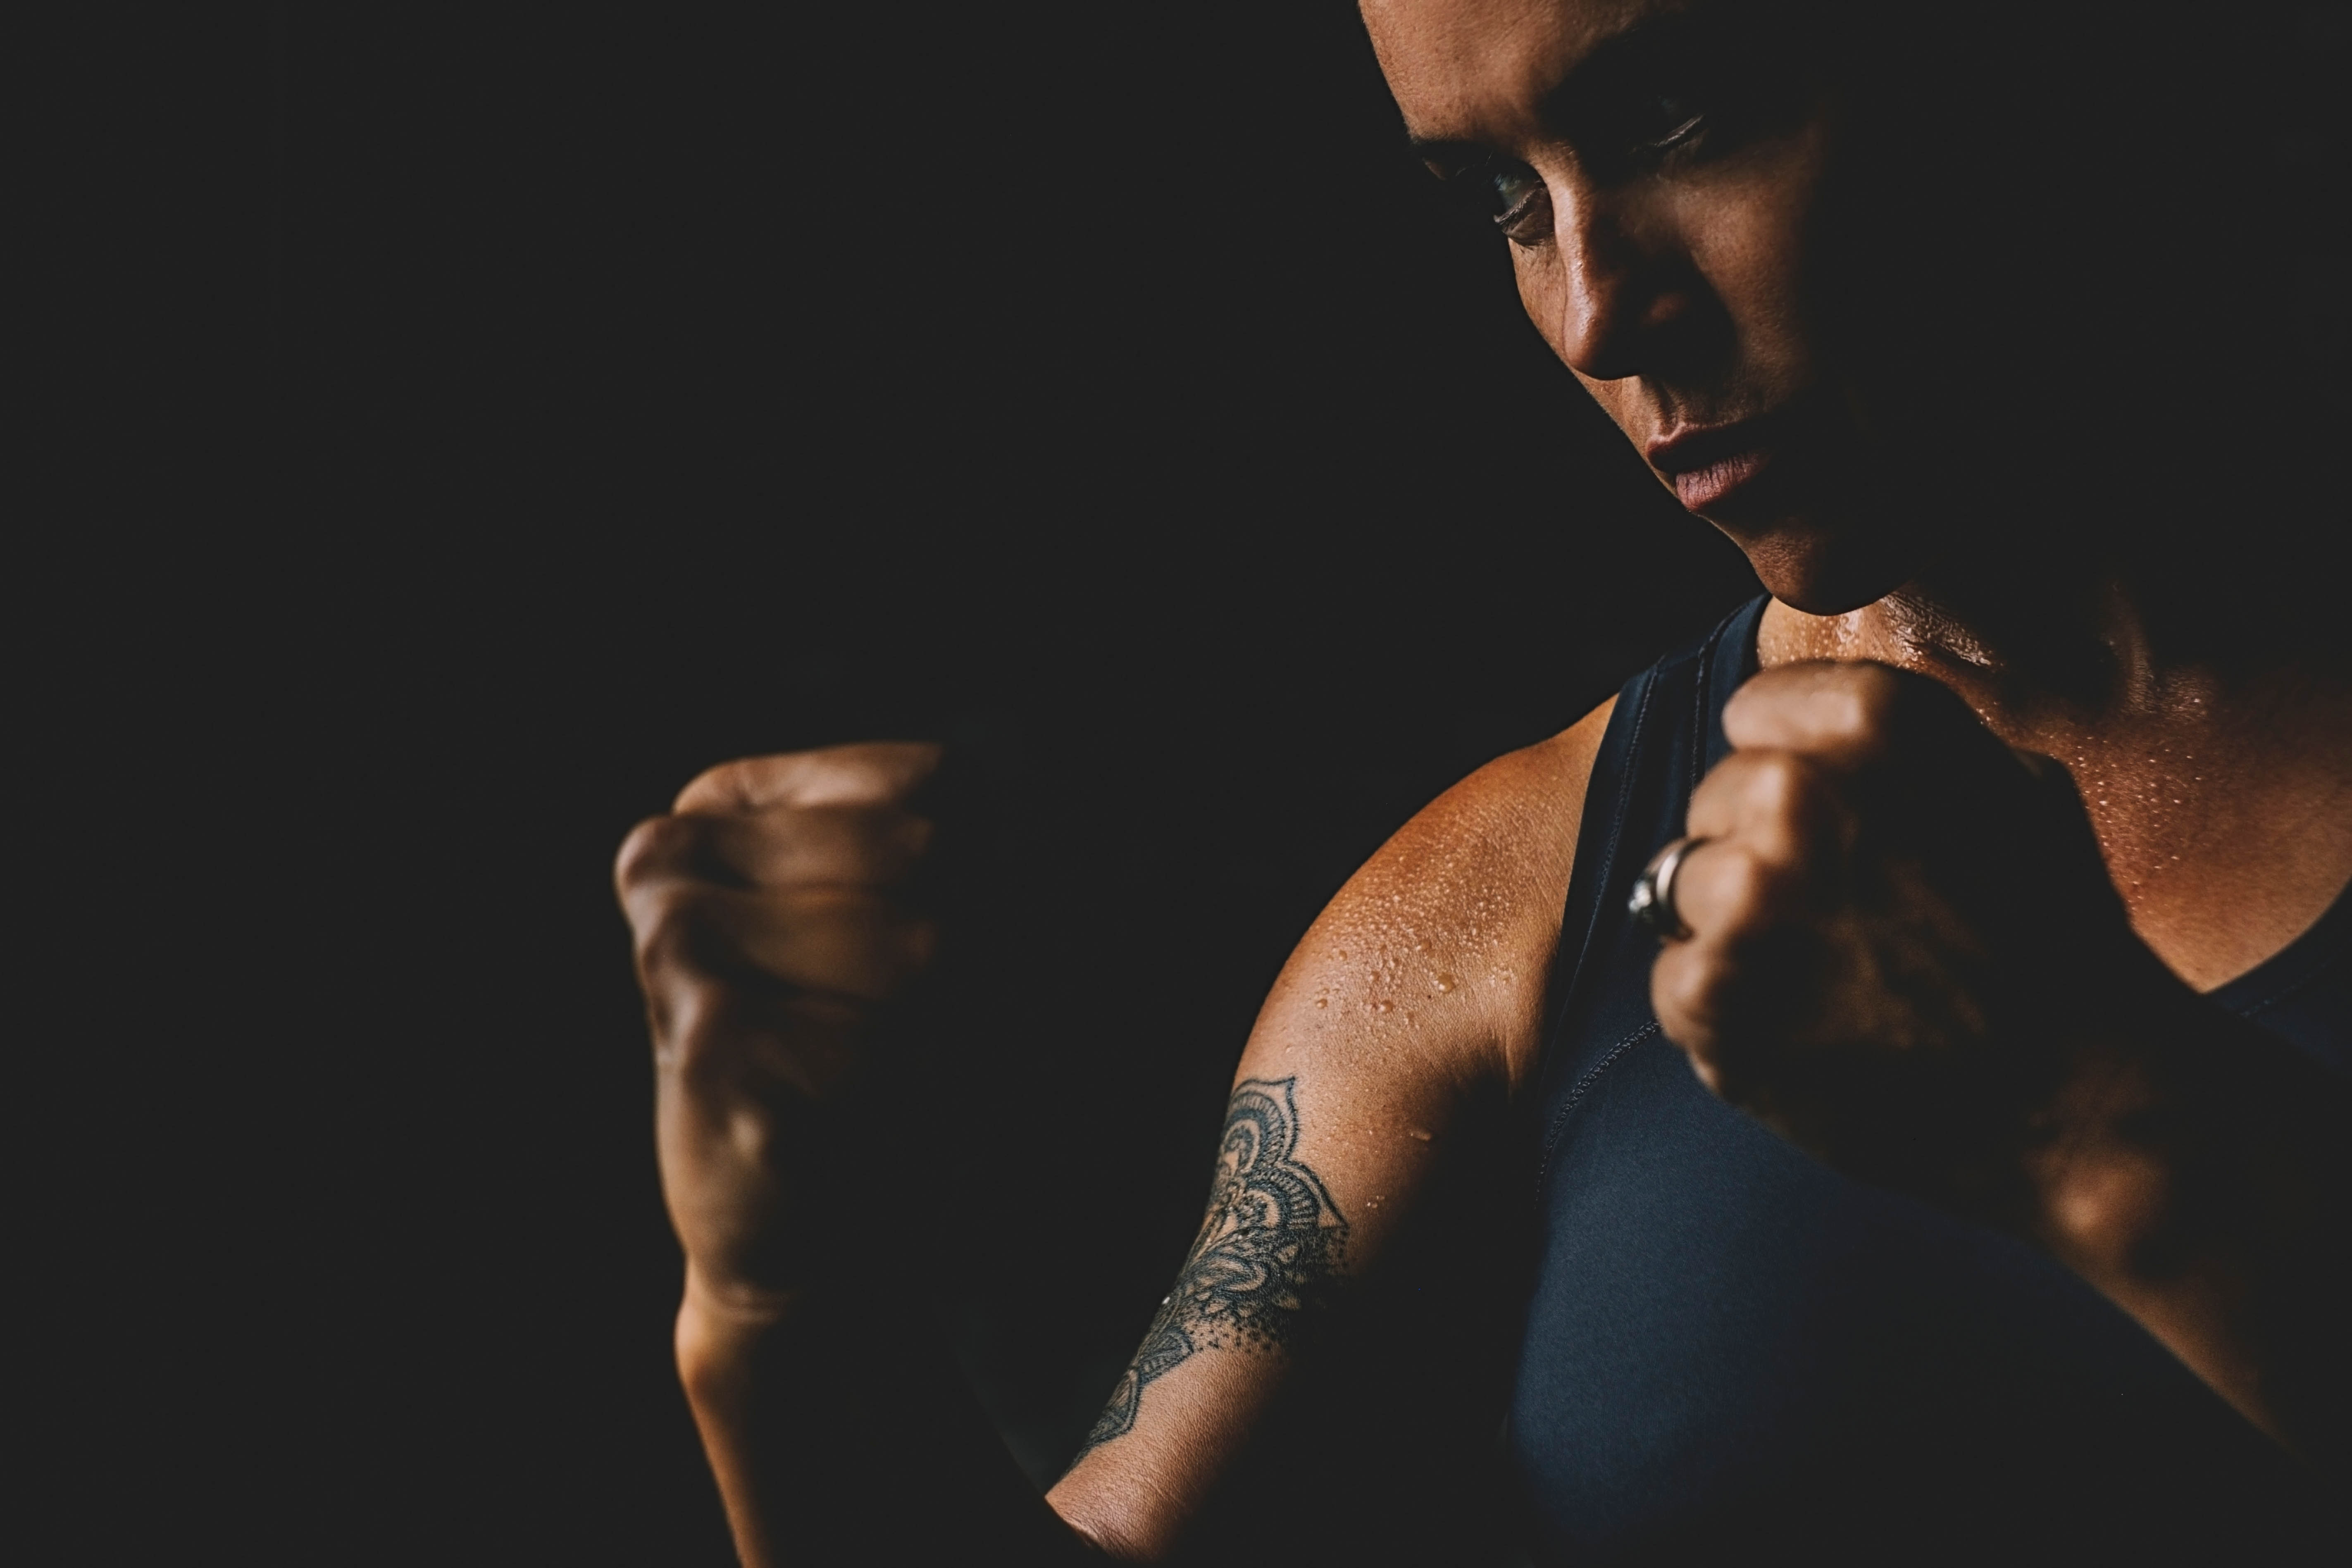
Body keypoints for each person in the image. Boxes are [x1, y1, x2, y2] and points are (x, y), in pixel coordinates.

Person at [612, 0, 2352, 1559]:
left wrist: (2098, 1120)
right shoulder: (1497, 911)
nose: (1598, 311)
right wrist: (783, 1318)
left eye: (1680, 117)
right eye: (1504, 203)